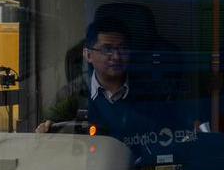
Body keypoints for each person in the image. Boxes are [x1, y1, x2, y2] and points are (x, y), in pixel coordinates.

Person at [36, 16, 161, 158]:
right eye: (107, 49)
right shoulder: (71, 96)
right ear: (88, 55)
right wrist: (45, 131)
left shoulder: (151, 93)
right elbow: (47, 140)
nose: (116, 57)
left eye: (123, 49)